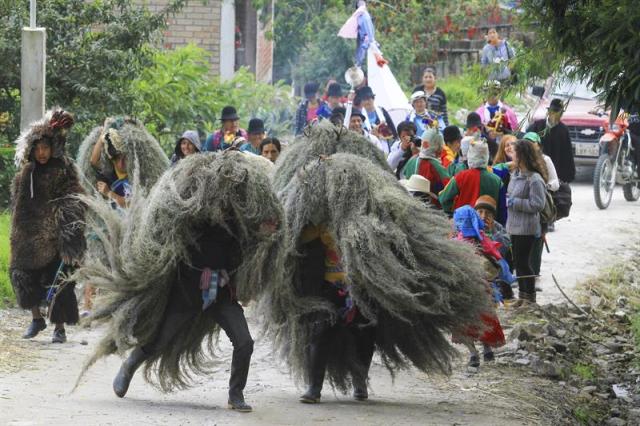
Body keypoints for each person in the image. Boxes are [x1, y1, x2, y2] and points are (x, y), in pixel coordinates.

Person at [266, 149, 495, 405]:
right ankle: (314, 387)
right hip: (328, 288)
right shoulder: (316, 223)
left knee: (364, 335)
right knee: (320, 332)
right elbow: (296, 238)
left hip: (363, 289)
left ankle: (360, 381)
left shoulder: (371, 217)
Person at [74, 151, 286, 413]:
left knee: (245, 342)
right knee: (158, 339)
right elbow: (169, 224)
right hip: (188, 289)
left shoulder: (240, 218)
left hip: (221, 291)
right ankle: (129, 366)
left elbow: (256, 239)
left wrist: (268, 232)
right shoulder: (194, 212)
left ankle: (236, 394)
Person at [10, 109, 85, 343]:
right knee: (20, 275)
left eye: (45, 148)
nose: (42, 153)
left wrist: (69, 237)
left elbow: (73, 201)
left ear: (53, 147)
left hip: (53, 237)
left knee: (59, 282)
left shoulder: (62, 169)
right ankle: (36, 319)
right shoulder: (26, 173)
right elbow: (17, 203)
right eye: (37, 148)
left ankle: (59, 328)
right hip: (26, 236)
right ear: (31, 149)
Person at [451, 205, 506, 367]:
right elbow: (497, 260)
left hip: (463, 291)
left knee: (463, 322)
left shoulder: (454, 243)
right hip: (483, 290)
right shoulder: (483, 240)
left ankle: (474, 354)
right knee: (485, 319)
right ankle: (487, 349)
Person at [506, 140, 547, 304]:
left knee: (523, 263)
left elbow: (538, 204)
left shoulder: (535, 179)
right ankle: (523, 297)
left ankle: (529, 298)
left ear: (522, 155)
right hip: (513, 226)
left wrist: (515, 203)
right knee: (518, 263)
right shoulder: (515, 175)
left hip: (526, 228)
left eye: (515, 152)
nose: (512, 154)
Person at [439, 139, 502, 216]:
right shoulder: (497, 180)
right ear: (487, 156)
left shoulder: (461, 176)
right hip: (486, 223)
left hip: (462, 222)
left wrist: (452, 212)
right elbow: (501, 208)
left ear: (470, 155)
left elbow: (444, 198)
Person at [526, 98, 576, 184]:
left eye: (558, 112)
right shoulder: (537, 126)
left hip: (555, 173)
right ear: (548, 112)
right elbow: (526, 145)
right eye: (553, 111)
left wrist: (566, 177)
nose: (555, 115)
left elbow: (567, 154)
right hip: (536, 170)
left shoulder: (563, 130)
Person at [403, 128, 450, 204]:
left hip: (410, 204)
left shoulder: (412, 160)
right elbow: (447, 191)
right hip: (430, 208)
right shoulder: (436, 166)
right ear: (437, 146)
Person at [475, 80, 518, 158]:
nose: (492, 96)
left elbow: (515, 133)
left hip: (505, 150)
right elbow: (475, 134)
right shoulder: (478, 113)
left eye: (495, 93)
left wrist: (501, 133)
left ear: (500, 93)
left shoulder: (509, 112)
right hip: (485, 152)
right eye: (489, 93)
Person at [491, 134, 518, 225]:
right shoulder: (498, 166)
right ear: (502, 149)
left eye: (513, 144)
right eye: (507, 145)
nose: (510, 147)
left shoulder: (524, 164)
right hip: (503, 210)